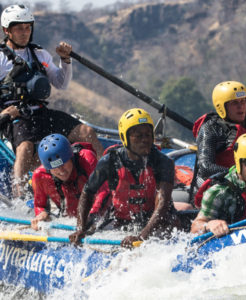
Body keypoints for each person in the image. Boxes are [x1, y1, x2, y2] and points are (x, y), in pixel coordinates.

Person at [0, 4, 103, 197]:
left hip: (41, 112)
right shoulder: (0, 59)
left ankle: (106, 184)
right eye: (19, 28)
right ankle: (20, 197)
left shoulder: (40, 54)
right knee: (25, 148)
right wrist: (4, 114)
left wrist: (65, 61)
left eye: (28, 27)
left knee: (87, 132)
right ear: (7, 31)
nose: (25, 33)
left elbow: (61, 83)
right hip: (15, 117)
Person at [69, 108, 181, 248]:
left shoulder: (163, 163)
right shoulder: (110, 161)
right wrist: (80, 228)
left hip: (157, 221)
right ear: (125, 137)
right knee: (90, 229)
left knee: (172, 224)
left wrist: (141, 237)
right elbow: (87, 192)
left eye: (148, 134)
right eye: (138, 135)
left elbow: (162, 205)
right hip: (122, 220)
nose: (145, 139)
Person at [193, 81, 246, 184]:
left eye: (243, 101)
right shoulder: (211, 128)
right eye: (234, 103)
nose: (240, 106)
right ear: (222, 107)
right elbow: (205, 167)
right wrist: (240, 175)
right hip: (224, 182)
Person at [31, 134, 108, 230]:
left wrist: (91, 217)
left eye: (63, 164)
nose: (61, 171)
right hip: (71, 222)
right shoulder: (40, 176)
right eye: (54, 167)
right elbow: (39, 205)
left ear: (71, 157)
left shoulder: (87, 159)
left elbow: (104, 191)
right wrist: (41, 214)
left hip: (97, 216)